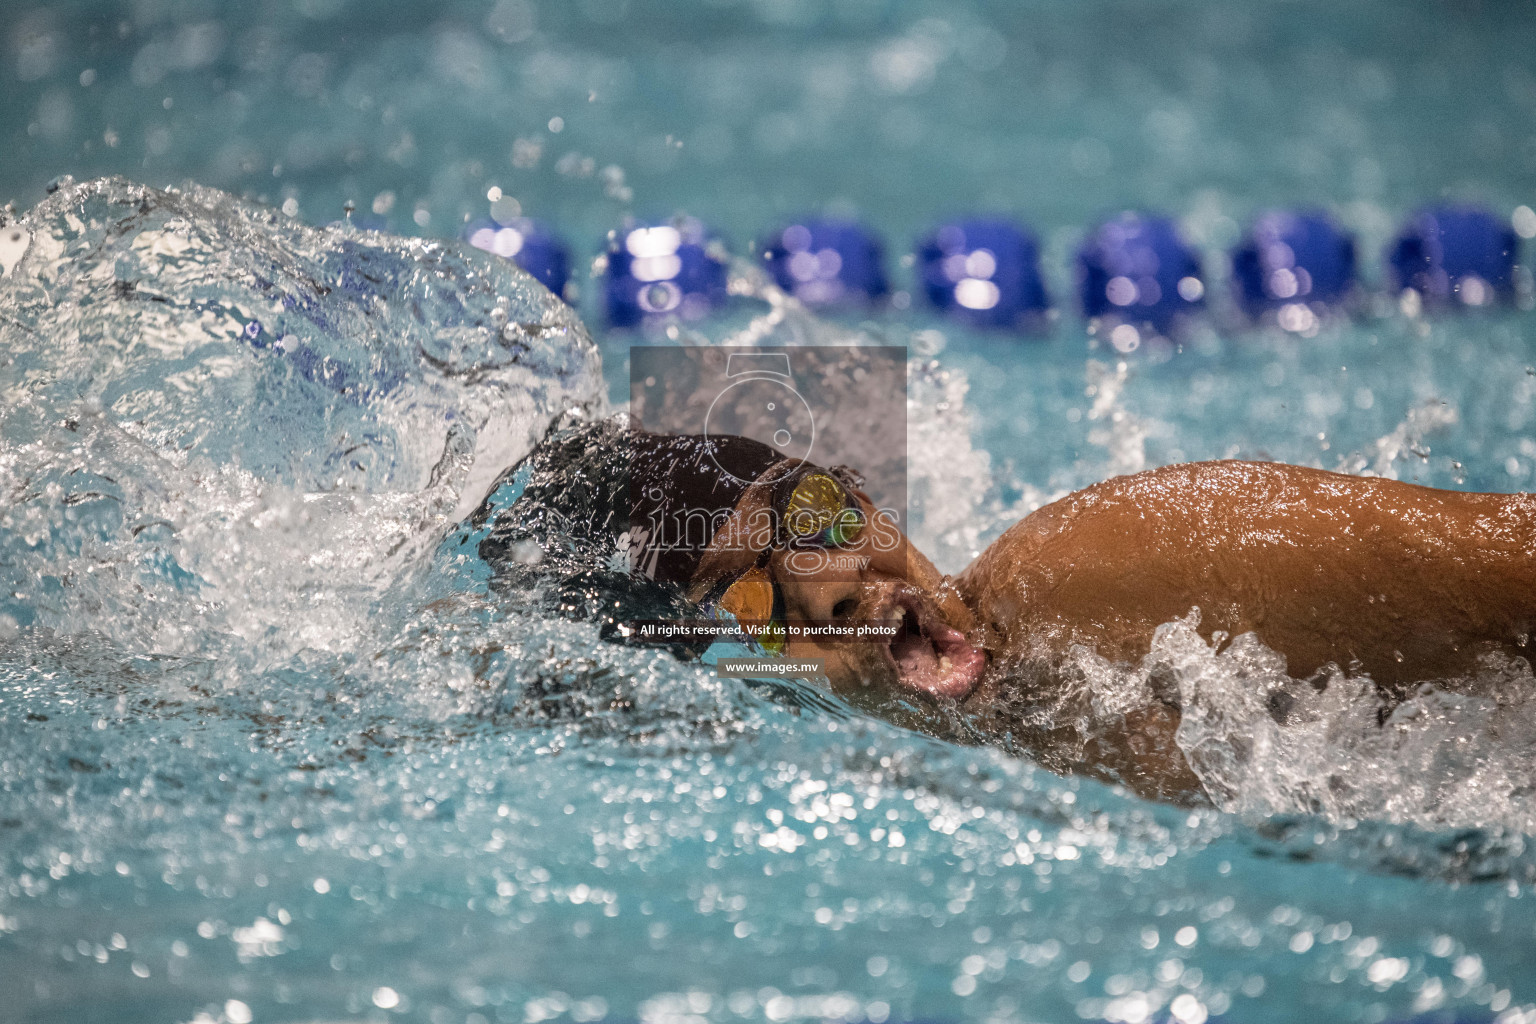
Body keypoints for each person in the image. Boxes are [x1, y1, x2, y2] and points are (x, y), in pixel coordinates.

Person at [474, 417, 1536, 802]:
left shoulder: (1122, 571)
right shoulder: (881, 764)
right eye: (751, 596)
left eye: (818, 512)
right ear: (723, 669)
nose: (832, 578)